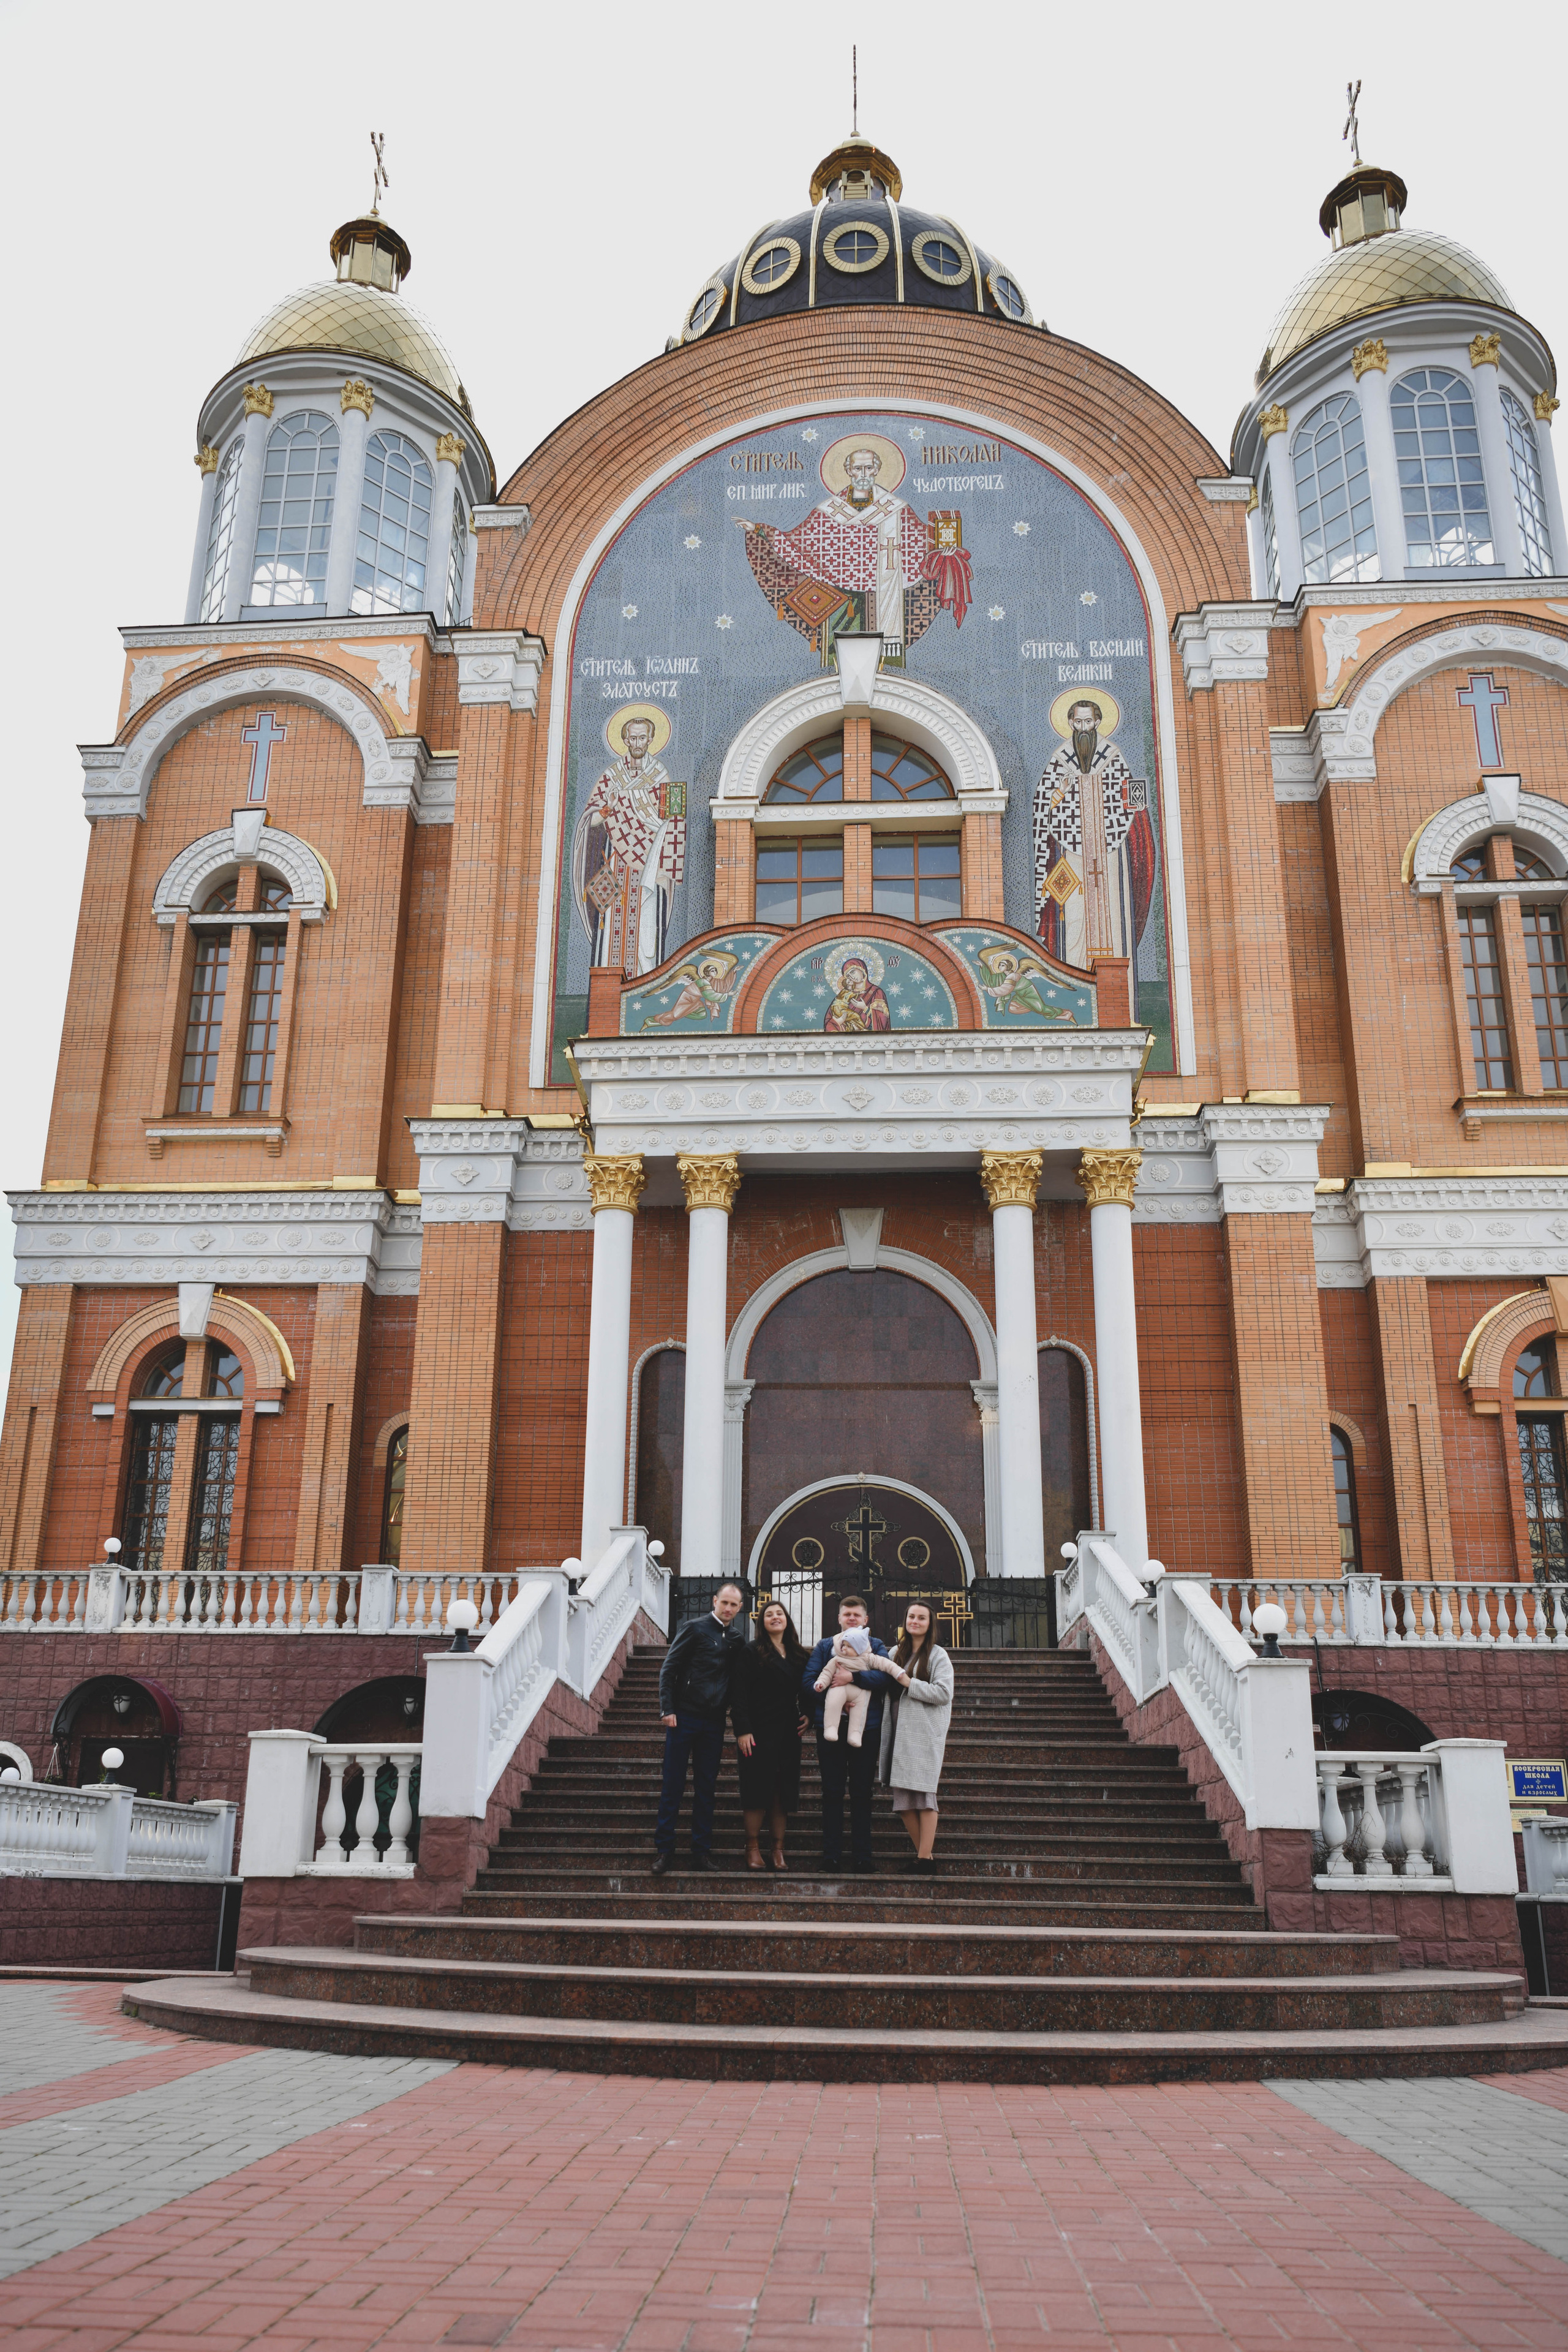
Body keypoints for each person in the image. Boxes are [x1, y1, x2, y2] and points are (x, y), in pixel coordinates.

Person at [652, 1580, 748, 1875]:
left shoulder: (737, 1640)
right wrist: (668, 1709)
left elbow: (738, 1683)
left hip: (714, 1722)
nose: (729, 1608)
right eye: (725, 1603)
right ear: (715, 1602)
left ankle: (701, 1851)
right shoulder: (694, 1628)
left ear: (740, 1608)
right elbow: (670, 1668)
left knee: (706, 1787)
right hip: (684, 1718)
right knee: (673, 1785)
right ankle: (665, 1851)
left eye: (734, 1605)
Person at [802, 1594, 892, 1874]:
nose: (851, 1618)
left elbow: (886, 1678)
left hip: (867, 1729)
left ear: (865, 1620)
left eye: (857, 1615)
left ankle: (863, 1857)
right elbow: (808, 1682)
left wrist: (854, 1679)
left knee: (862, 1792)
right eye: (846, 1615)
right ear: (839, 1619)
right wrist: (835, 1696)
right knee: (831, 1791)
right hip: (830, 1729)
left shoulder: (875, 1646)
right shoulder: (825, 1646)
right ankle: (831, 1856)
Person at [870, 1599, 954, 1872]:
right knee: (903, 1798)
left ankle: (923, 1858)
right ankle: (926, 1858)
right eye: (911, 1617)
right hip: (896, 1730)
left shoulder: (939, 1655)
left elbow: (944, 1693)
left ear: (930, 1624)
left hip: (924, 1732)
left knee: (924, 1795)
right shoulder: (895, 1651)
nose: (915, 1622)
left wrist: (909, 1682)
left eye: (921, 1618)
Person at [733, 1600, 809, 1871]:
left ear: (787, 1619)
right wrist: (742, 1729)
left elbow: (809, 1690)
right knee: (756, 1789)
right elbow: (738, 1692)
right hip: (756, 1730)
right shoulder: (751, 1651)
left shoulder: (800, 1654)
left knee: (782, 1792)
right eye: (769, 1615)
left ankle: (778, 1850)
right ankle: (752, 1848)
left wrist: (809, 1714)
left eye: (779, 1613)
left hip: (789, 1731)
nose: (775, 1617)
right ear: (762, 1622)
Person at [813, 1624, 875, 1744]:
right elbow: (827, 1672)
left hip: (860, 1694)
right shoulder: (837, 1659)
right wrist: (821, 1683)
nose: (844, 1649)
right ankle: (831, 1728)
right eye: (843, 1645)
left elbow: (885, 1668)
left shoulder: (868, 1658)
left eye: (849, 1646)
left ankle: (855, 1734)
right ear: (839, 1619)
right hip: (838, 1689)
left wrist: (898, 1672)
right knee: (833, 1702)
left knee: (859, 1711)